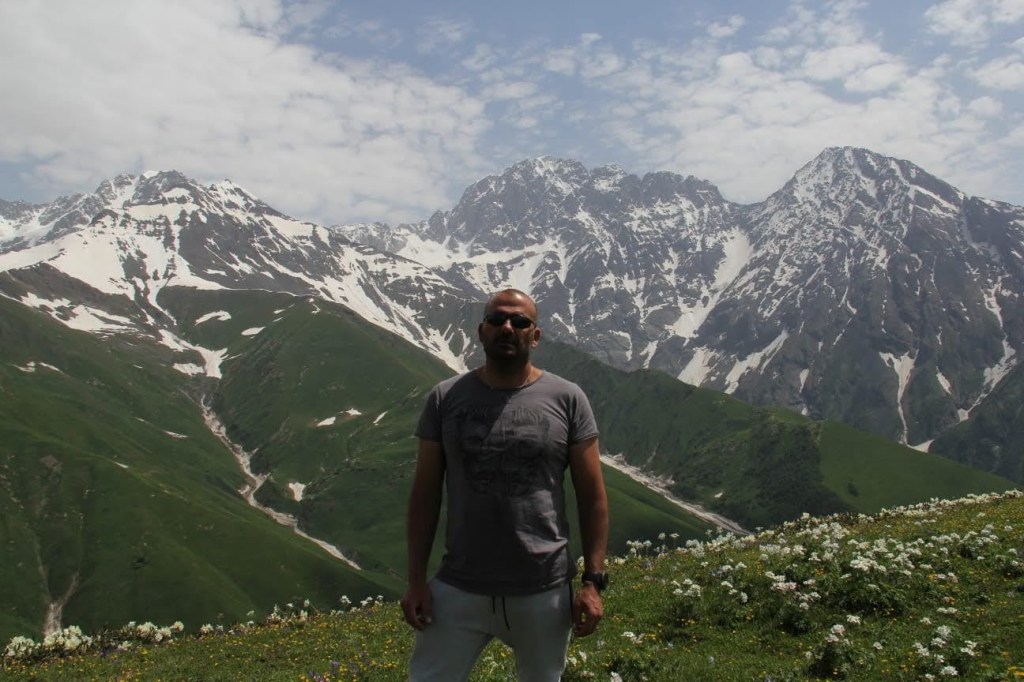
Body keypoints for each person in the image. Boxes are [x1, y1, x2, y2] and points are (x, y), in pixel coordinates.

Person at [401, 288, 610, 681]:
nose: (507, 328)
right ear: (481, 331)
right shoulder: (444, 398)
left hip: (543, 588)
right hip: (459, 586)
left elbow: (593, 497)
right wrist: (415, 581)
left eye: (520, 321)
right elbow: (425, 494)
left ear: (536, 335)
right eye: (496, 320)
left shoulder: (568, 399)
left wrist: (593, 582)